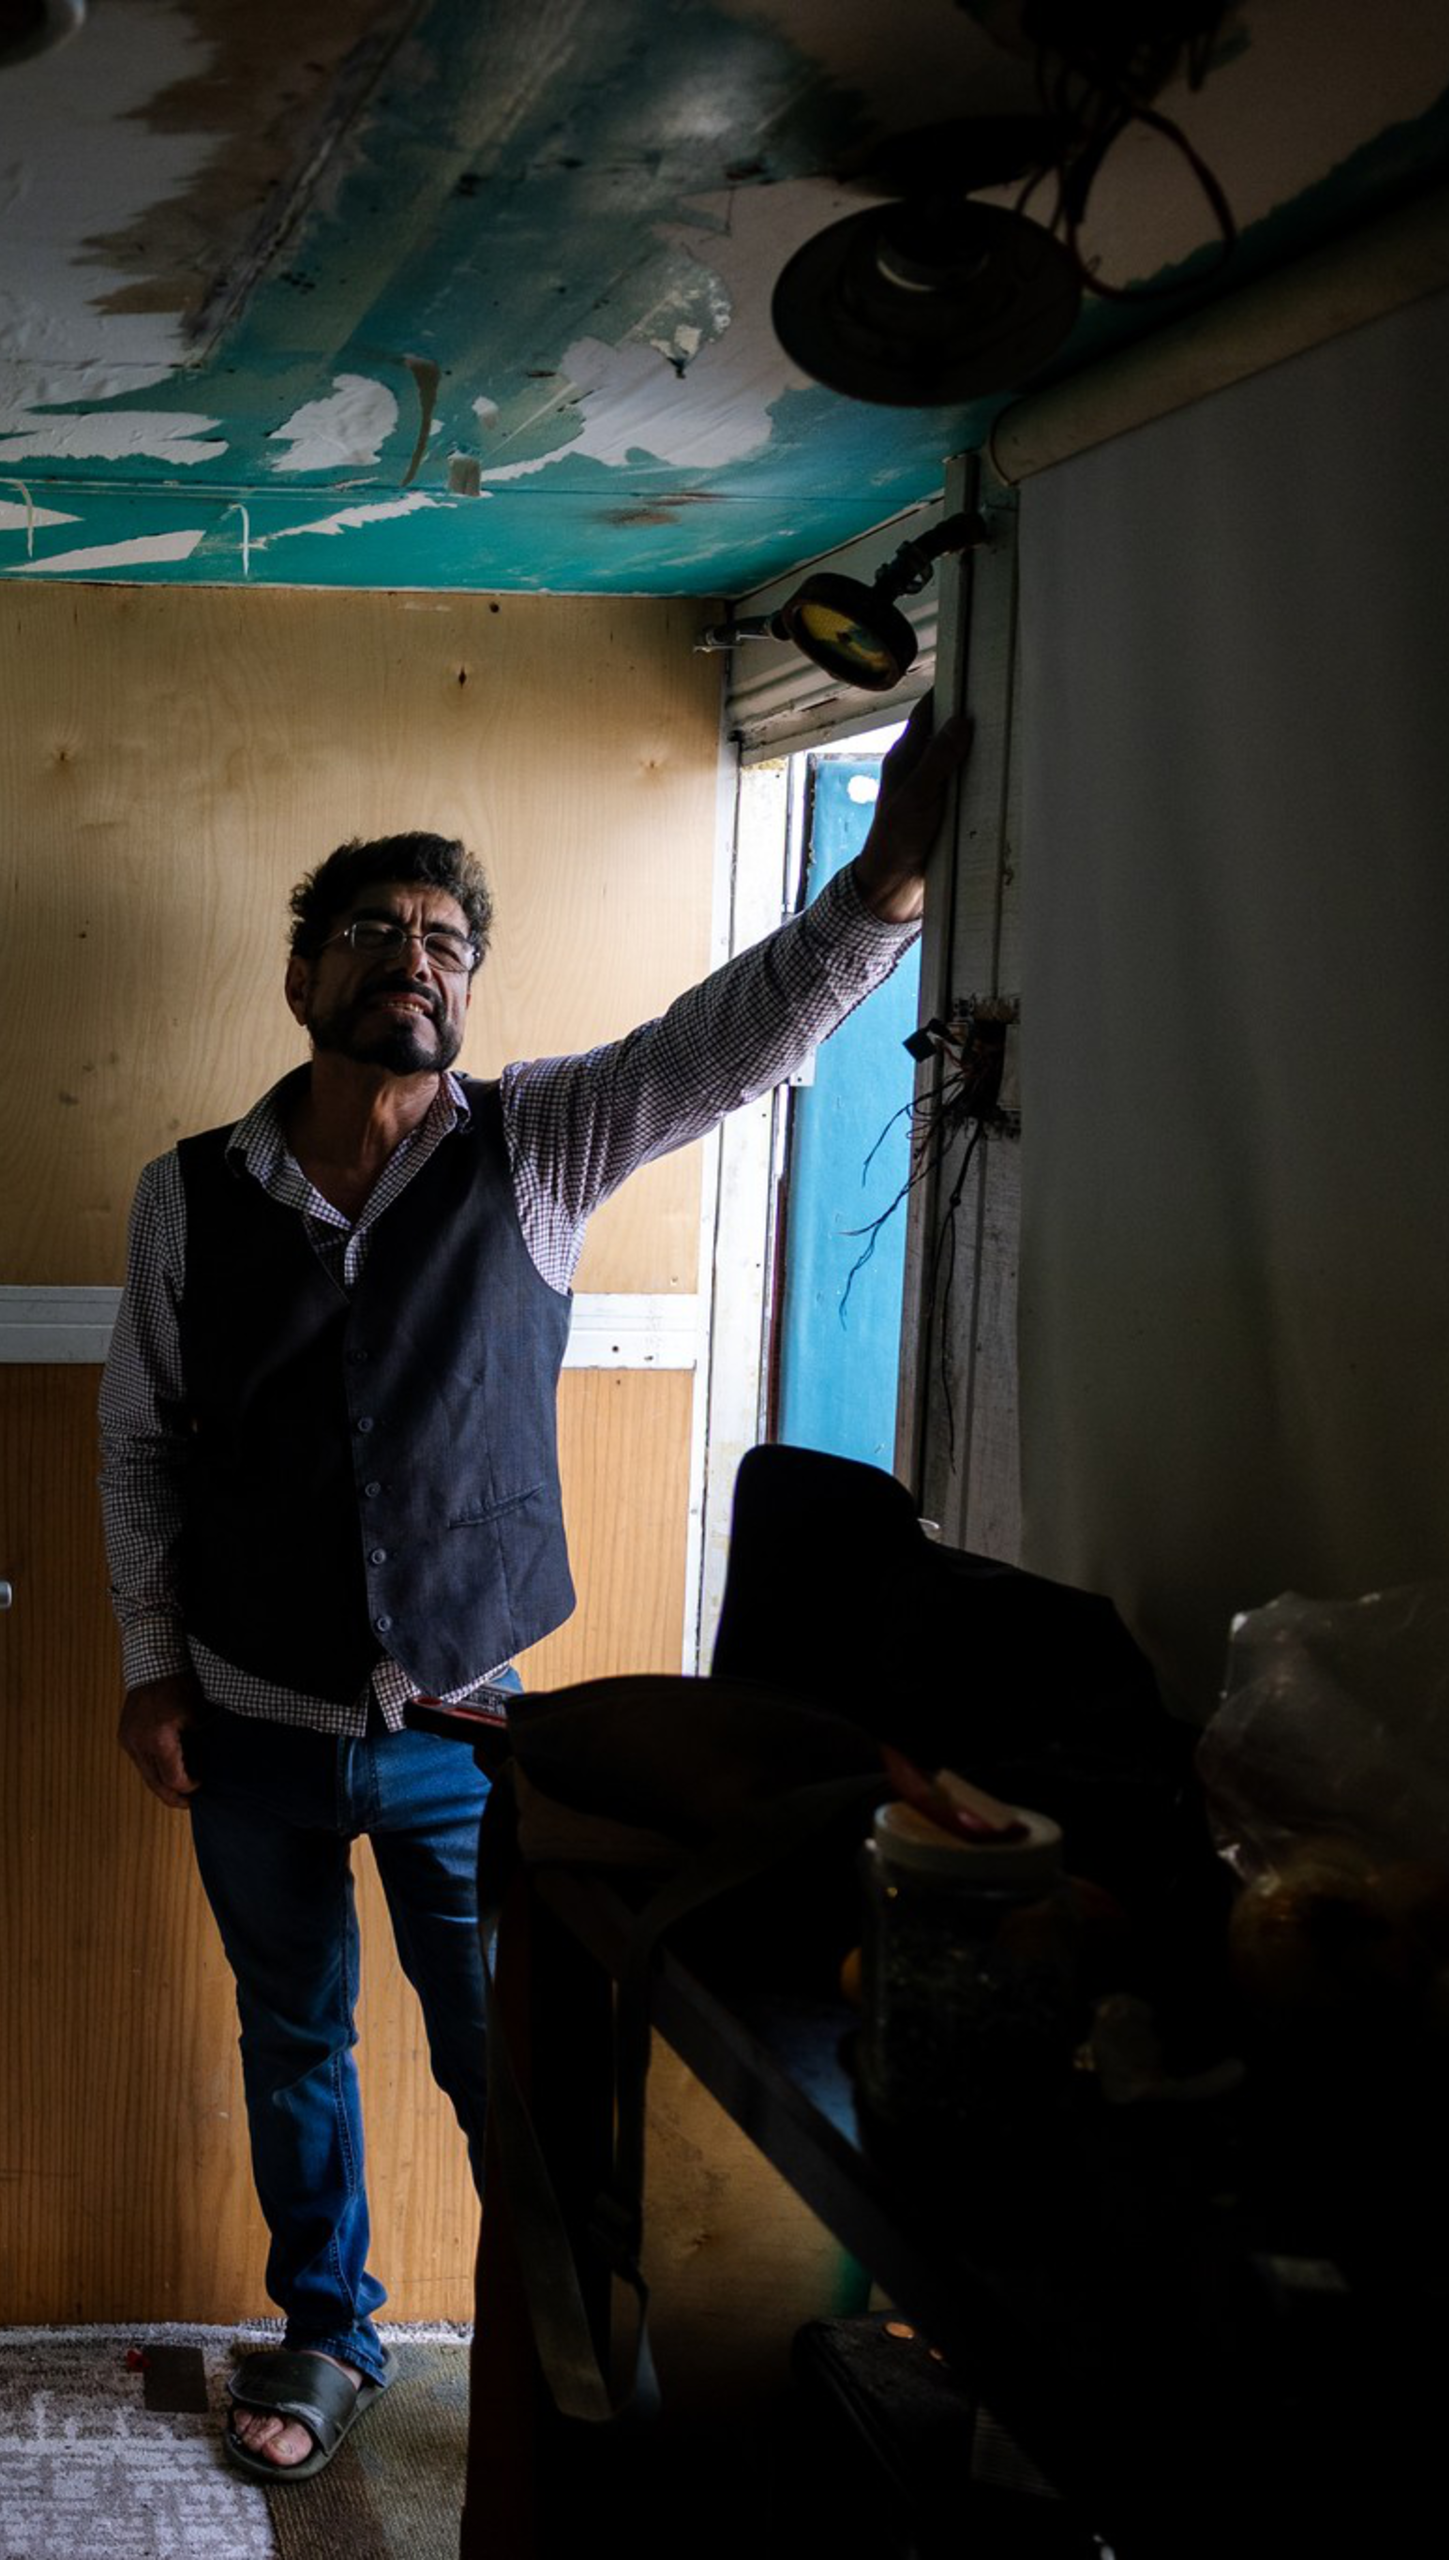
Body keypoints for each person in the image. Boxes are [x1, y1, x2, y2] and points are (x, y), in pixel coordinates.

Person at [96, 710, 971, 2482]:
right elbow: (140, 1450)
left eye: (442, 943)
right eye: (371, 933)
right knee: (292, 2047)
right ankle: (329, 2339)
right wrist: (148, 1664)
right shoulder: (187, 1194)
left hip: (469, 1728)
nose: (409, 964)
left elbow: (724, 1047)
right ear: (299, 977)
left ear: (468, 986)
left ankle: (564, 2357)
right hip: (252, 1718)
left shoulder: (541, 1143)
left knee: (513, 2061)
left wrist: (880, 888)